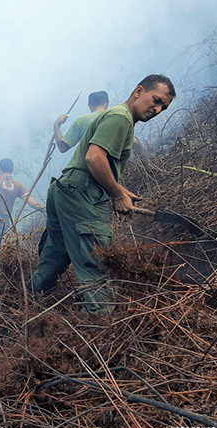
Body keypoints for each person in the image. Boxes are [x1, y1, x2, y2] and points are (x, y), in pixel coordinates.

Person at [29, 75, 175, 314]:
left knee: (57, 253)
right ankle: (96, 327)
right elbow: (94, 158)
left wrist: (121, 190)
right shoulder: (120, 118)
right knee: (96, 262)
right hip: (82, 194)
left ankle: (29, 301)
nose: (157, 110)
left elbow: (96, 161)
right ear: (139, 91)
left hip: (65, 189)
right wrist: (116, 194)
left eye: (163, 107)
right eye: (156, 100)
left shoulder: (117, 117)